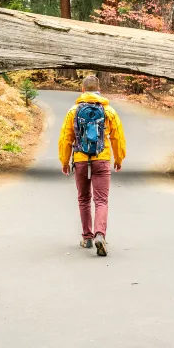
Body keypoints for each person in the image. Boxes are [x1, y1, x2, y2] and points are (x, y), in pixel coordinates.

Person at [58, 75, 126, 256]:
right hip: (101, 159)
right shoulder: (108, 110)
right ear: (99, 90)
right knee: (101, 200)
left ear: (82, 90)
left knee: (83, 199)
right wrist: (119, 158)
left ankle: (87, 237)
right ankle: (100, 235)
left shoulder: (73, 111)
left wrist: (64, 161)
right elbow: (117, 136)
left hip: (80, 159)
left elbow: (66, 138)